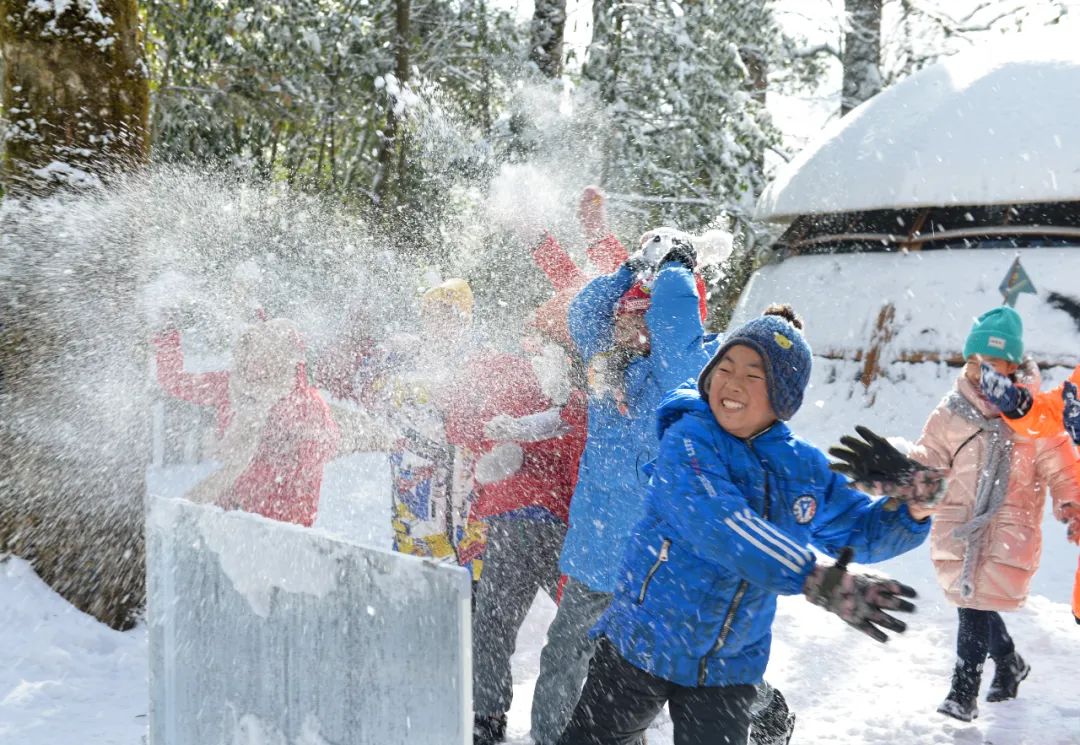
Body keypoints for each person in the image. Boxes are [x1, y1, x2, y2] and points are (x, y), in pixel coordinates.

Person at [557, 305, 929, 745]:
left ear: (783, 397)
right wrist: (812, 576)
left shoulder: (801, 467)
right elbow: (723, 524)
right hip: (643, 641)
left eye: (754, 375)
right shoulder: (688, 438)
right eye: (725, 368)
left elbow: (863, 533)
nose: (731, 383)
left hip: (729, 665)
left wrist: (915, 498)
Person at [831, 307, 1080, 722]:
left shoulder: (1032, 417)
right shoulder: (950, 414)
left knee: (976, 603)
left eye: (994, 365)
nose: (982, 373)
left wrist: (1071, 503)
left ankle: (963, 691)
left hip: (1007, 527)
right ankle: (1010, 661)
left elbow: (1061, 464)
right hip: (959, 525)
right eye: (974, 363)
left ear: (1013, 367)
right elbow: (928, 457)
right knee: (975, 601)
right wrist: (902, 472)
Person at [529, 229, 718, 745]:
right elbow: (583, 313)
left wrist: (676, 269)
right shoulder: (607, 373)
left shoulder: (683, 377)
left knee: (682, 664)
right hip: (596, 554)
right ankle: (550, 737)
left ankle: (763, 711)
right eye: (625, 314)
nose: (623, 322)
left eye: (639, 315)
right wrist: (627, 271)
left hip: (655, 565)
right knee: (566, 651)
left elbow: (679, 331)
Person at [153, 317, 340, 526]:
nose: (255, 360)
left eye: (268, 353)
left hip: (281, 524)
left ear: (285, 359)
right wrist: (166, 333)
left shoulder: (306, 405)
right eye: (252, 349)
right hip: (231, 513)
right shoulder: (231, 386)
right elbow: (176, 382)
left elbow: (311, 472)